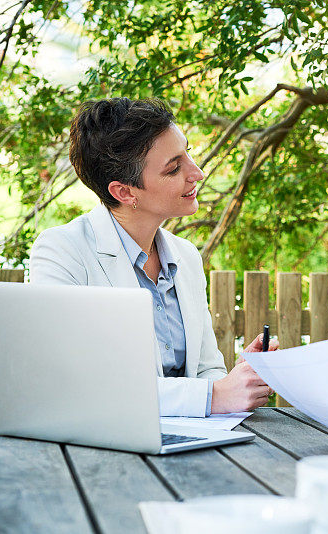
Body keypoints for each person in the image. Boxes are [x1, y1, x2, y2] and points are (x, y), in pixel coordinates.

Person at [30, 98, 276, 417]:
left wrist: (237, 380)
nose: (197, 173)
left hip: (193, 447)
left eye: (188, 153)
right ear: (125, 193)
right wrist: (214, 395)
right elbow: (80, 385)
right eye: (174, 167)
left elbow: (206, 372)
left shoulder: (185, 257)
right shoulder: (62, 253)